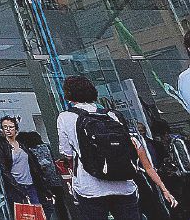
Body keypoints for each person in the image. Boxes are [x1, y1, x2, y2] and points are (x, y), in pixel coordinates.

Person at [57, 75, 178, 220]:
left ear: (68, 95)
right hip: (124, 184)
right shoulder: (113, 115)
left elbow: (67, 153)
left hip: (90, 187)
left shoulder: (65, 117)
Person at [0, 115, 55, 213]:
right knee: (25, 213)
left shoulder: (22, 145)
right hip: (17, 186)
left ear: (16, 129)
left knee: (39, 211)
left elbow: (34, 165)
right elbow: (4, 170)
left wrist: (43, 184)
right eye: (5, 127)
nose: (8, 130)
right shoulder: (1, 147)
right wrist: (17, 187)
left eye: (11, 127)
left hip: (30, 184)